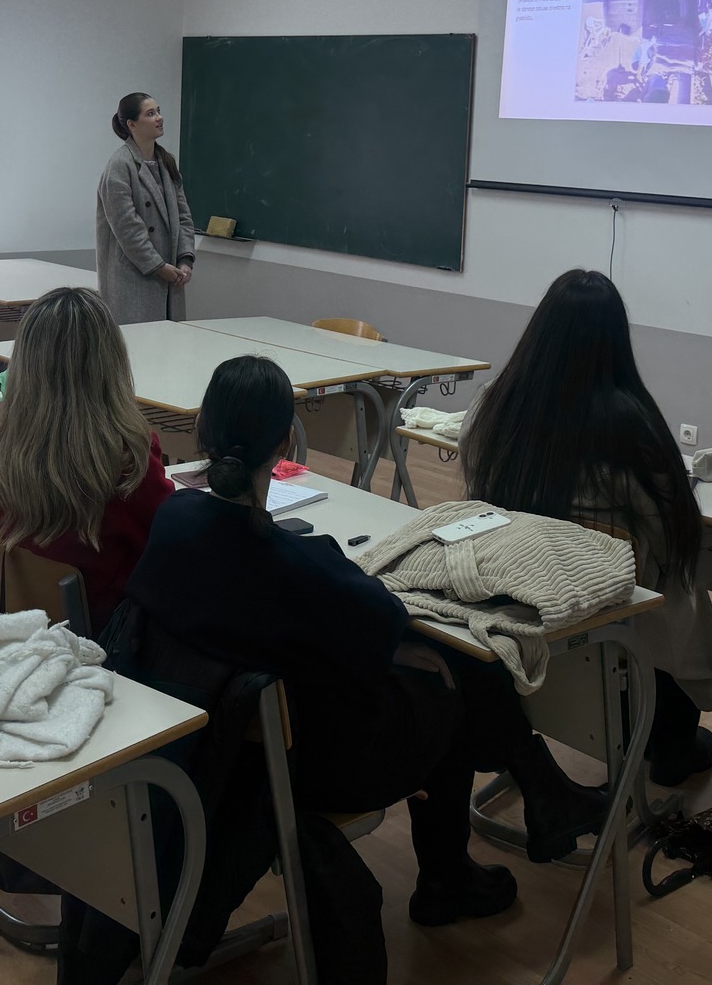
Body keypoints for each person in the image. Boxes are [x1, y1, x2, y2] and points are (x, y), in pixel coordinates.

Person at [125, 355, 607, 935]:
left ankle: (532, 797)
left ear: (202, 428)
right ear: (284, 444)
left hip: (217, 755)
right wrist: (395, 645)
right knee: (454, 670)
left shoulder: (173, 520)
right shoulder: (294, 565)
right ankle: (463, 860)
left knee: (443, 669)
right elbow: (383, 616)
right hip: (314, 766)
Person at [461, 269, 712, 786]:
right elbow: (665, 544)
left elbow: (477, 496)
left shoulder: (494, 406)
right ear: (616, 343)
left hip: (513, 621)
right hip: (610, 638)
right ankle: (669, 742)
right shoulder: (634, 429)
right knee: (680, 588)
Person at [0, 287, 171, 626]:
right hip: (100, 636)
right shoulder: (126, 456)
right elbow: (163, 542)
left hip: (8, 624)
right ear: (110, 363)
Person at [95, 92, 195, 324]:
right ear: (132, 124)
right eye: (150, 114)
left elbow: (184, 217)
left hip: (171, 276)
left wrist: (185, 260)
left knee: (170, 340)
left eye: (158, 111)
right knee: (139, 341)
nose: (159, 118)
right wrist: (157, 266)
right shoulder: (120, 165)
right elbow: (127, 228)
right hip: (134, 279)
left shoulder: (166, 162)